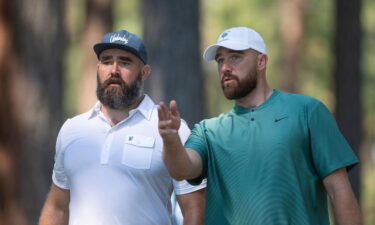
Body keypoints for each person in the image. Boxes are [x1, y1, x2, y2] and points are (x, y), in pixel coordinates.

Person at [158, 26, 362, 225]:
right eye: (220, 60)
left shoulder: (308, 112)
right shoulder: (208, 131)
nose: (225, 67)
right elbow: (182, 169)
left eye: (235, 57)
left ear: (261, 61)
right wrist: (170, 140)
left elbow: (338, 190)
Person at [39, 30, 206, 225]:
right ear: (98, 67)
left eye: (125, 62)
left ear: (144, 72)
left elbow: (194, 207)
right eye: (107, 61)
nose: (114, 70)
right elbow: (57, 208)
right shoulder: (72, 129)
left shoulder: (171, 130)